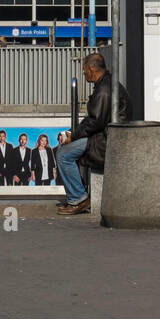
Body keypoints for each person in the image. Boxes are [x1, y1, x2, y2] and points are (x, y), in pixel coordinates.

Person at [54, 52, 132, 216]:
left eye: (84, 70)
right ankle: (79, 194)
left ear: (92, 69)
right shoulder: (106, 84)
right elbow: (95, 119)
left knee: (63, 154)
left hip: (106, 141)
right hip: (106, 136)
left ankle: (78, 199)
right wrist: (73, 133)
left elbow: (95, 121)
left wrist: (73, 137)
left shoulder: (104, 90)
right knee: (66, 150)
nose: (84, 73)